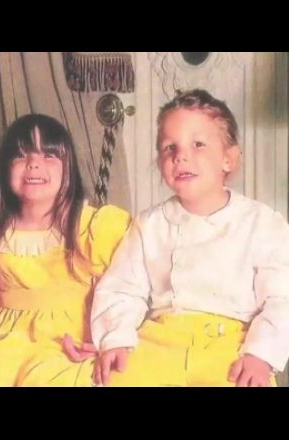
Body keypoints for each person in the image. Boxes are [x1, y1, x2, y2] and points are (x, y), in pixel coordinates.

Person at [90, 89, 289, 387]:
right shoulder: (149, 224)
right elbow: (121, 289)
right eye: (169, 147)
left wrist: (260, 355)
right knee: (110, 380)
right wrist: (115, 339)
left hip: (232, 347)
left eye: (198, 144)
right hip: (159, 341)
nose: (180, 155)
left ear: (228, 159)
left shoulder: (262, 223)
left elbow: (282, 299)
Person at [0, 113, 130, 386]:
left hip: (74, 343)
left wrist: (108, 340)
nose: (34, 163)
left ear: (69, 168)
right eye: (21, 155)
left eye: (49, 155)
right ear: (5, 169)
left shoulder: (92, 229)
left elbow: (118, 293)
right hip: (5, 346)